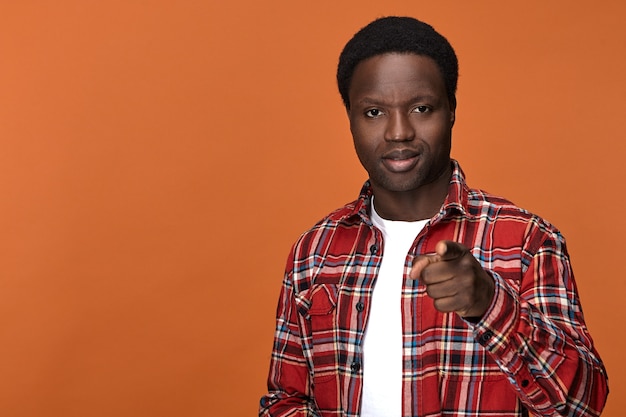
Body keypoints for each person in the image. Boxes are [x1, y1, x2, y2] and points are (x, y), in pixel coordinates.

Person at [259, 16, 608, 417]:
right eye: (373, 112)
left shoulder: (527, 241)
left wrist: (490, 303)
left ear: (452, 110)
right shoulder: (313, 252)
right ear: (350, 119)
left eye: (421, 108)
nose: (398, 132)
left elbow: (584, 404)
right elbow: (284, 402)